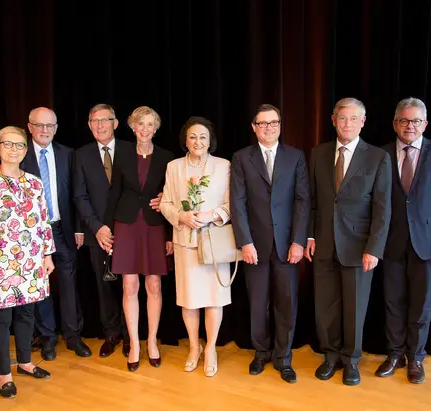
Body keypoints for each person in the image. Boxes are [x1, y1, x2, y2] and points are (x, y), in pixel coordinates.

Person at [305, 97, 392, 386]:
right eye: (342, 118)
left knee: (355, 307)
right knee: (325, 305)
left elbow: (382, 208)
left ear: (363, 122)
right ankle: (330, 356)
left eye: (354, 119)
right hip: (324, 244)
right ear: (333, 120)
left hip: (359, 247)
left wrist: (374, 248)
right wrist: (310, 235)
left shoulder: (378, 157)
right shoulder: (318, 153)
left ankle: (351, 360)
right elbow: (312, 201)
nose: (347, 124)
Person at [375, 97, 431, 384]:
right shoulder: (381, 154)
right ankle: (395, 354)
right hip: (391, 242)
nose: (409, 126)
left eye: (415, 121)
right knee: (393, 302)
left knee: (421, 304)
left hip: (429, 243)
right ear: (394, 124)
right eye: (403, 120)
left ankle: (417, 357)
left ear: (424, 124)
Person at [73, 103, 163, 358]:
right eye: (94, 121)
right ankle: (111, 333)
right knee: (106, 285)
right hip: (99, 229)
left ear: (115, 123)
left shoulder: (129, 148)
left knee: (135, 284)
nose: (100, 125)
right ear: (89, 125)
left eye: (105, 120)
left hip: (135, 227)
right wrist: (98, 227)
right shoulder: (82, 154)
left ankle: (130, 337)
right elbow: (79, 195)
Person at [230, 104, 310, 384]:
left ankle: (283, 358)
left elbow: (303, 201)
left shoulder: (296, 157)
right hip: (255, 246)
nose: (268, 127)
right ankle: (261, 352)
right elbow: (237, 202)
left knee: (286, 303)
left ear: (280, 125)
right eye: (262, 124)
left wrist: (299, 241)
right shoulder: (241, 158)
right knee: (257, 303)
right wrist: (245, 242)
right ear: (254, 127)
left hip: (288, 246)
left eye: (273, 122)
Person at [0, 126, 55, 398]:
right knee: (1, 319)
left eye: (20, 145)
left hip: (31, 261)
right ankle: (3, 374)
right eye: (8, 144)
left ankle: (25, 363)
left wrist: (47, 254)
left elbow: (43, 221)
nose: (14, 149)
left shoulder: (34, 182)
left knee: (27, 313)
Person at [160, 116, 232, 377]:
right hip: (185, 242)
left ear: (210, 140)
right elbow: (166, 203)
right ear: (185, 141)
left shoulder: (224, 166)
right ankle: (194, 347)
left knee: (215, 299)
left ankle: (211, 347)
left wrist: (211, 215)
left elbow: (232, 204)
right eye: (192, 136)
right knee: (189, 301)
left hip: (214, 242)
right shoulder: (174, 167)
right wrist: (181, 216)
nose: (198, 141)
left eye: (203, 136)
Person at [105, 106, 174, 372]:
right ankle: (134, 343)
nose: (144, 129)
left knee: (154, 286)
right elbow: (114, 194)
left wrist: (170, 233)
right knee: (129, 286)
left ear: (155, 129)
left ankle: (152, 342)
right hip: (126, 225)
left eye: (149, 125)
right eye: (139, 124)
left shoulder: (167, 157)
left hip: (155, 226)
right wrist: (107, 228)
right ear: (132, 127)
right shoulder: (121, 154)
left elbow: (171, 196)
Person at [20, 107, 90, 360]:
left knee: (69, 283)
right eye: (39, 125)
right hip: (34, 234)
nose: (44, 130)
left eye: (50, 126)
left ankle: (73, 336)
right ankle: (47, 337)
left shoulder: (68, 154)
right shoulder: (20, 155)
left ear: (56, 128)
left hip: (63, 229)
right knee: (42, 286)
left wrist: (80, 227)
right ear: (29, 127)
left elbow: (78, 193)